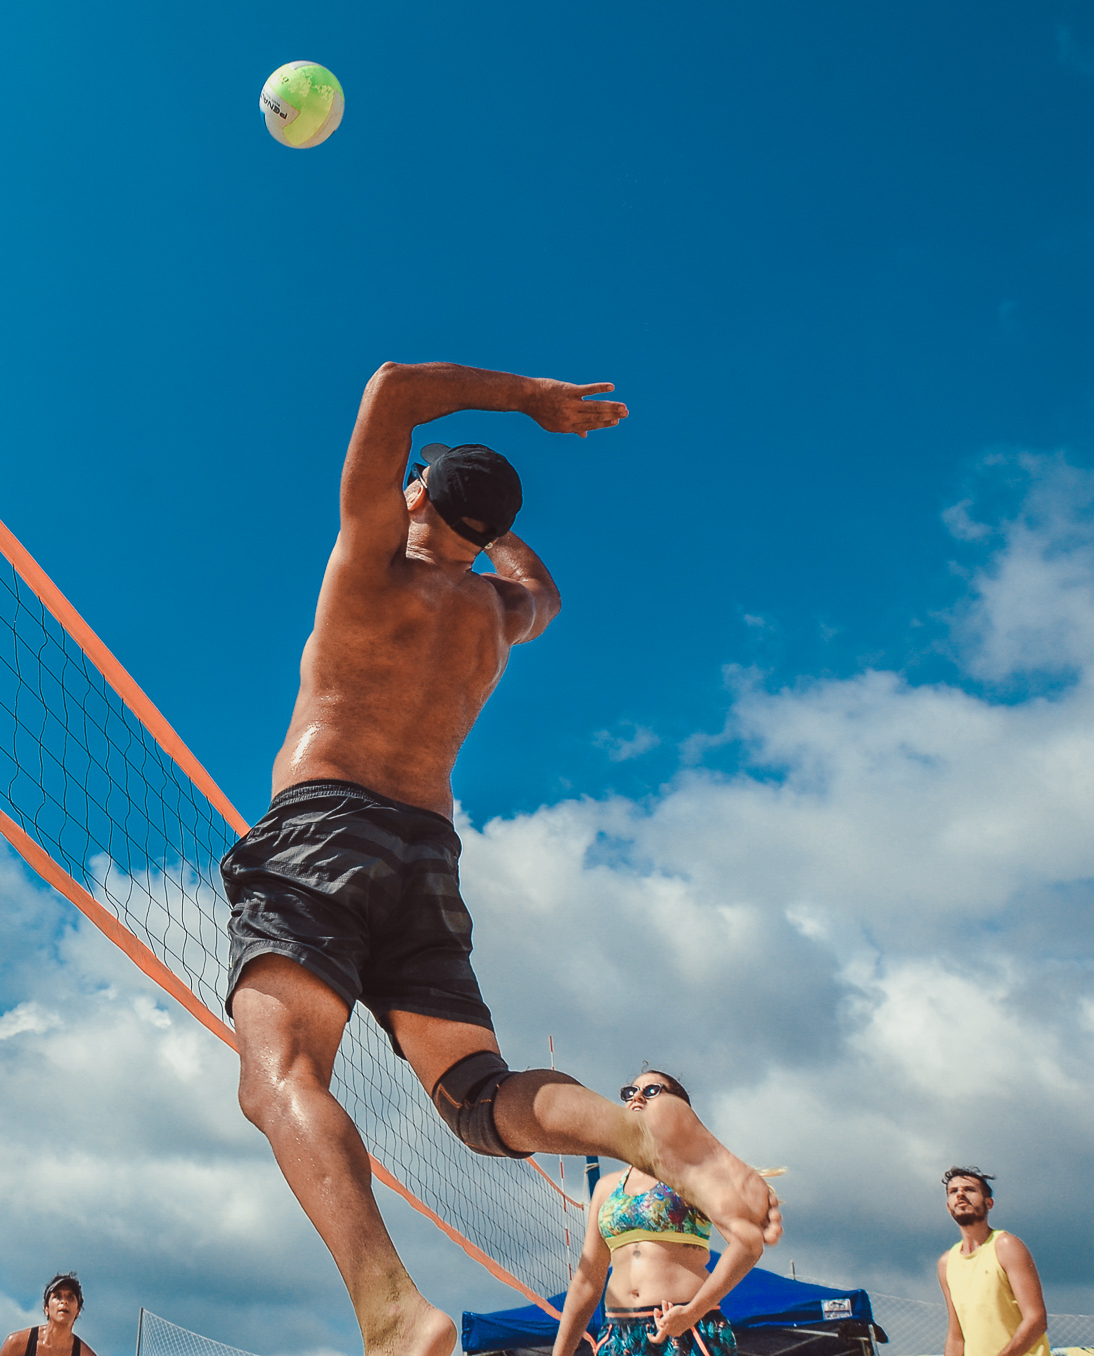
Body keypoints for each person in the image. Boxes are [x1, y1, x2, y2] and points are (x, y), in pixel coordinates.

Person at [224, 361, 782, 1356]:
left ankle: (390, 1308)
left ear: (412, 496)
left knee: (280, 1074)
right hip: (424, 855)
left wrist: (527, 400)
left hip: (321, 829)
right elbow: (543, 593)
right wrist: (492, 531)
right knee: (479, 1098)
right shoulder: (490, 615)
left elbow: (391, 387)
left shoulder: (370, 565)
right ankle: (635, 1136)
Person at [551, 1074, 757, 1356]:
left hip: (685, 1329)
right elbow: (587, 1280)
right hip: (619, 1336)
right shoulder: (606, 1188)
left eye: (651, 1090)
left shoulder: (696, 1175)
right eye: (630, 1091)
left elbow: (748, 1244)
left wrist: (693, 1312)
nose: (637, 1096)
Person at [937, 1167, 1048, 1356]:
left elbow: (1036, 1319)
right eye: (953, 1191)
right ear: (949, 1206)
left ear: (989, 1203)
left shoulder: (1006, 1246)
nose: (961, 1194)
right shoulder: (947, 1263)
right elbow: (957, 1336)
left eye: (969, 1190)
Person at [0, 1274, 96, 1356]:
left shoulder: (85, 1354)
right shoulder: (17, 1344)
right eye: (57, 1296)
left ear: (78, 1311)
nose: (64, 1301)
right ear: (46, 1308)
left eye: (71, 1297)